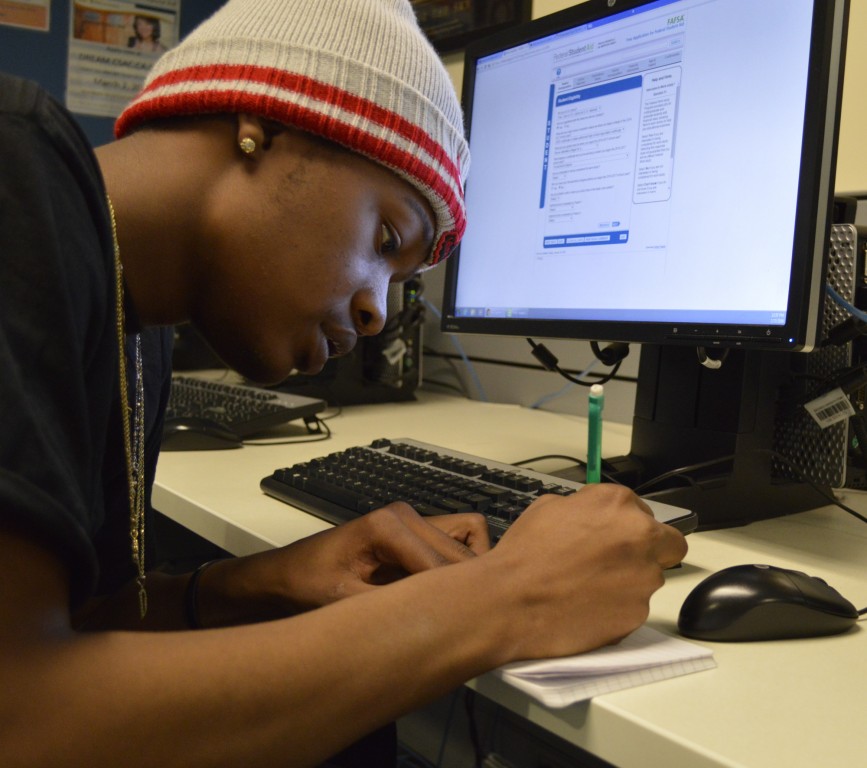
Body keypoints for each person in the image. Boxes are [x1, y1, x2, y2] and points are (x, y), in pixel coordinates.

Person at [0, 1, 688, 766]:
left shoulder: (137, 323)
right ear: (262, 119)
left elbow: (78, 622)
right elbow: (25, 718)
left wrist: (255, 583)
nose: (376, 314)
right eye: (387, 238)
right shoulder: (14, 166)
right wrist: (508, 597)